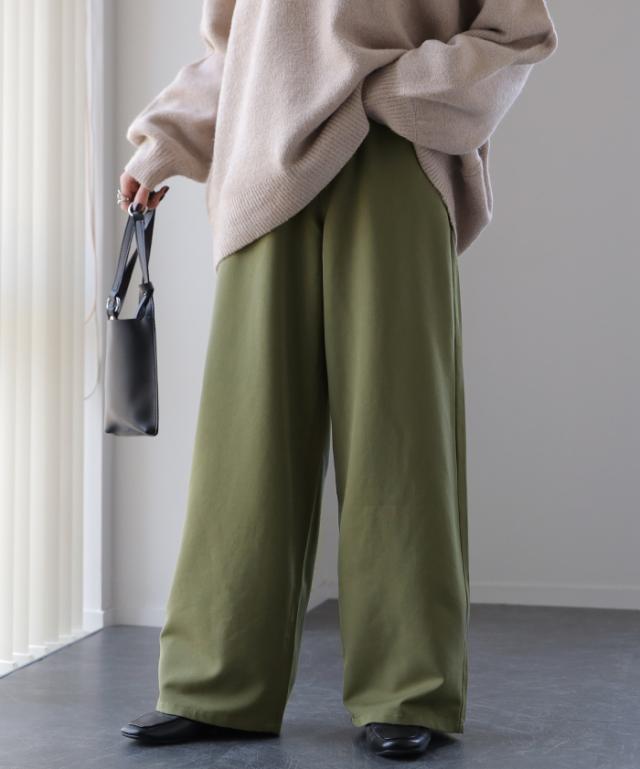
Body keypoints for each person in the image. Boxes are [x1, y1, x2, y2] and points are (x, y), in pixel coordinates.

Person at [117, 0, 558, 759]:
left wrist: (386, 92)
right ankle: (216, 686)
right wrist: (166, 139)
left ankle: (407, 688)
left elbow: (517, 34)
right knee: (245, 439)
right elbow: (237, 50)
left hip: (393, 157)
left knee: (399, 433)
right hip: (263, 168)